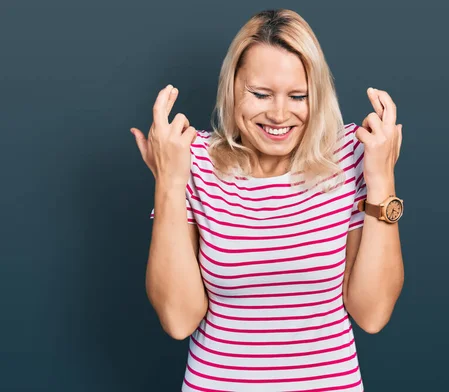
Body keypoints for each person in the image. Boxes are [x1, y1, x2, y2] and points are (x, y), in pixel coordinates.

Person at [130, 8, 404, 392]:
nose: (279, 114)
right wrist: (169, 182)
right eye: (260, 94)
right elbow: (178, 319)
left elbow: (372, 314)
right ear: (232, 89)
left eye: (298, 96)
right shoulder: (193, 161)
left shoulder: (351, 155)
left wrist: (382, 179)